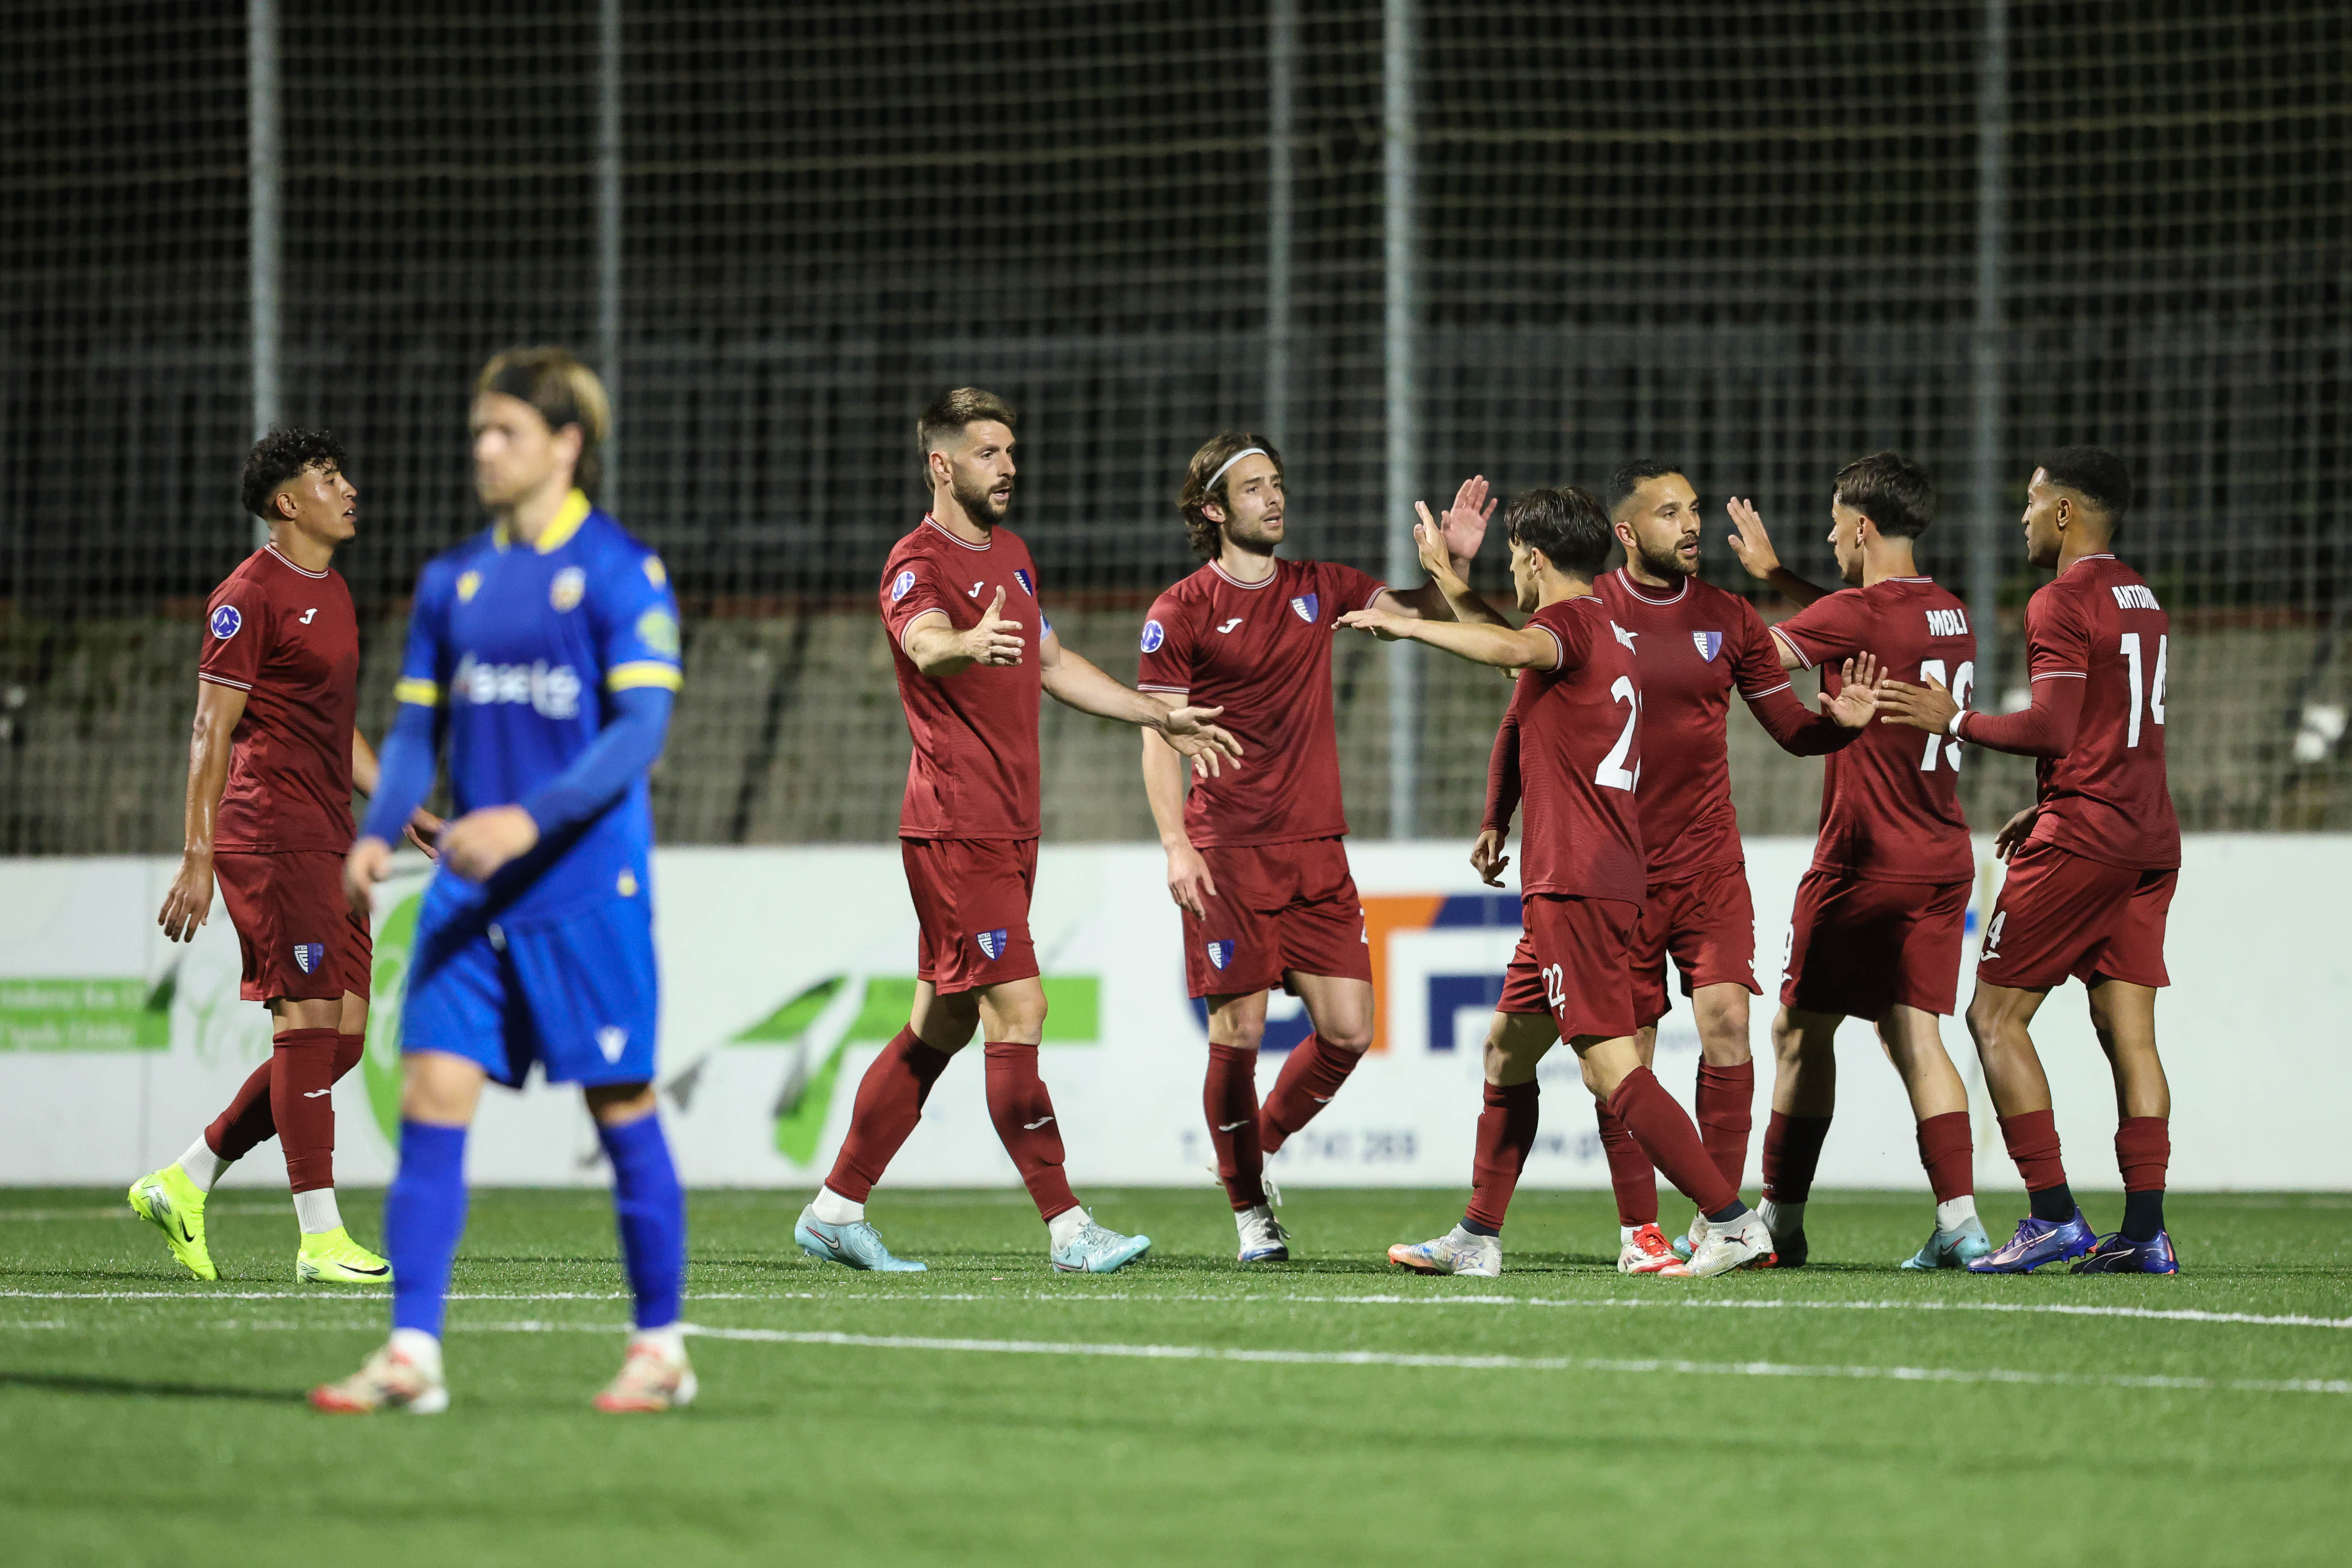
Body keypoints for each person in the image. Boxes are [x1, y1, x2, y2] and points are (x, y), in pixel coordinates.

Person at [311, 347, 692, 1414]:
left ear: (566, 445)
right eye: (479, 430)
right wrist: (377, 833)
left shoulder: (622, 571)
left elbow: (641, 730)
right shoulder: (453, 582)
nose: (484, 448)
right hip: (469, 901)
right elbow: (419, 726)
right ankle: (411, 1355)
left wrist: (526, 815)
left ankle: (660, 1346)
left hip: (582, 891)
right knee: (432, 1096)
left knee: (621, 1107)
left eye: (507, 431)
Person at [795, 388, 1242, 1276]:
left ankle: (836, 1207)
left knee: (942, 1023)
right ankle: (1069, 1228)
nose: (1008, 465)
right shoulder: (914, 561)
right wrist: (965, 641)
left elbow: (1053, 660)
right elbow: (924, 643)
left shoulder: (1012, 555)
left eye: (1011, 449)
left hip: (1007, 827)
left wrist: (1159, 715)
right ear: (942, 463)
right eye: (989, 451)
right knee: (1021, 1008)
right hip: (956, 828)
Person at [1341, 487, 1774, 1279]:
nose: (1510, 571)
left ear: (1535, 559)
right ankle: (1477, 1235)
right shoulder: (1603, 628)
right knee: (1506, 1050)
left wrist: (1406, 622)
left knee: (1611, 1066)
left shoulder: (1567, 629)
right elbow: (1517, 642)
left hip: (1577, 881)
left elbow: (1511, 649)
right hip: (1584, 880)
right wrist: (1445, 577)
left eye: (1513, 559)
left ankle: (1732, 1221)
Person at [1482, 460, 1878, 1274]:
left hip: (1705, 861)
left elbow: (1790, 728)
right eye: (1669, 513)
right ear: (1626, 533)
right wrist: (1496, 818)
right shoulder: (1585, 611)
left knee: (1727, 1025)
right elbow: (1518, 723)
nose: (1691, 525)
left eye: (1693, 509)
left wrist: (1839, 727)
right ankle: (1641, 1230)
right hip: (1616, 865)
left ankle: (1720, 1225)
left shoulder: (1730, 618)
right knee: (1625, 1054)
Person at [1137, 432, 1506, 1262]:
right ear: (1213, 510)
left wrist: (1449, 567)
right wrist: (1173, 842)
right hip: (1226, 846)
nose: (1275, 498)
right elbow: (1158, 736)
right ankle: (1249, 1214)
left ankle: (1249, 1153)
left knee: (1348, 1029)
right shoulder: (1180, 609)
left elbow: (1405, 611)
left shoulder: (1319, 587)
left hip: (1315, 849)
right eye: (1255, 488)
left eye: (1279, 484)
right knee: (1237, 1029)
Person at [131, 429, 437, 1285]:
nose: (348, 488)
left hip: (331, 831)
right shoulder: (246, 595)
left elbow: (330, 724)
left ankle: (183, 1179)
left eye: (343, 471)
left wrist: (404, 808)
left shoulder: (333, 591)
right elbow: (210, 728)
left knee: (338, 1044)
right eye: (328, 477)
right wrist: (197, 853)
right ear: (286, 503)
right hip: (269, 832)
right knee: (305, 1022)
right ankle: (319, 1235)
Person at [1878, 446, 2181, 1274]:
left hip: (2084, 837)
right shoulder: (2142, 597)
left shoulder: (2061, 599)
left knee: (1992, 1018)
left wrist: (1954, 719)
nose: (2018, 515)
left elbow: (2050, 727)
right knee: (2130, 1034)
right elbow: (2113, 730)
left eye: (2029, 500)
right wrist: (2052, 794)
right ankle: (2146, 1234)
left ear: (2062, 513)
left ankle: (2051, 1214)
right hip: (2148, 834)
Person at [1726, 451, 1990, 1270]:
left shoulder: (1855, 614)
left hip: (1862, 858)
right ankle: (1961, 1223)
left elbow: (1756, 658)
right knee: (1916, 1033)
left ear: (1864, 525)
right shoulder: (1949, 611)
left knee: (1799, 1030)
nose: (1831, 532)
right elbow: (1863, 620)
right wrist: (1781, 576)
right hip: (1943, 854)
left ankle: (1780, 1218)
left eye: (1836, 520)